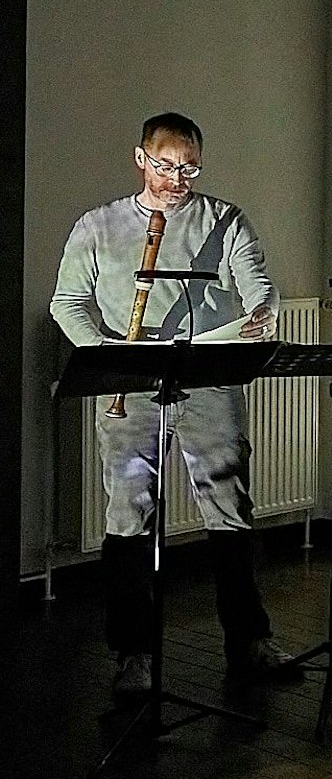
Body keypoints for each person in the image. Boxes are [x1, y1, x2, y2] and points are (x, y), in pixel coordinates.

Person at [51, 113, 292, 697]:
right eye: (166, 165)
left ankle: (249, 641)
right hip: (130, 389)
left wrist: (261, 317)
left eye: (189, 168)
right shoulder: (98, 225)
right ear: (141, 158)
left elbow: (259, 287)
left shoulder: (224, 219)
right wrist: (107, 353)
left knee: (229, 508)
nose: (177, 177)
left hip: (207, 383)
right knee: (129, 515)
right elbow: (67, 302)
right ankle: (133, 654)